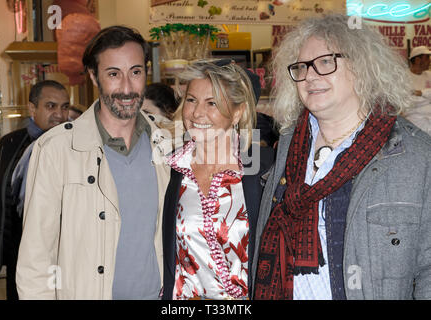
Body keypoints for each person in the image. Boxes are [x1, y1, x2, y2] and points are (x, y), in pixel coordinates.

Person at [252, 14, 431, 300]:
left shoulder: (414, 156)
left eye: (325, 62)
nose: (310, 76)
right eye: (302, 67)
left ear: (363, 67)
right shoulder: (289, 146)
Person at [16, 26, 171, 299]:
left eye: (135, 72)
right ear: (93, 77)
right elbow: (35, 259)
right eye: (113, 74)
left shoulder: (168, 142)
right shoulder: (56, 150)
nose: (126, 87)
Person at [162, 60, 274, 300]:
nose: (197, 113)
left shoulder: (264, 172)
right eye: (191, 100)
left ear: (237, 113)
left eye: (212, 103)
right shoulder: (172, 169)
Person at [0, 80, 69, 300]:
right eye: (51, 106)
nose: (59, 114)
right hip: (18, 251)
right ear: (32, 108)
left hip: (61, 252)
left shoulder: (73, 144)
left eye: (64, 107)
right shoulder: (10, 143)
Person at [403, 46, 431, 134]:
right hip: (413, 123)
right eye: (427, 58)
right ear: (418, 60)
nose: (429, 61)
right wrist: (427, 97)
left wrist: (420, 93)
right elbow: (407, 102)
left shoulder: (429, 75)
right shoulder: (403, 77)